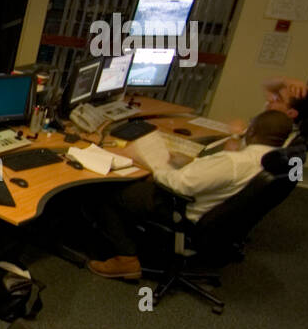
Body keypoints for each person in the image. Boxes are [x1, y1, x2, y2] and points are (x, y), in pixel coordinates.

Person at [86, 110, 294, 280]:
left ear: (253, 131)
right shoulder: (271, 160)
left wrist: (156, 167)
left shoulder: (235, 163)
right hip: (213, 213)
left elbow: (181, 185)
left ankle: (126, 259)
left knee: (111, 191)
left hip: (182, 207)